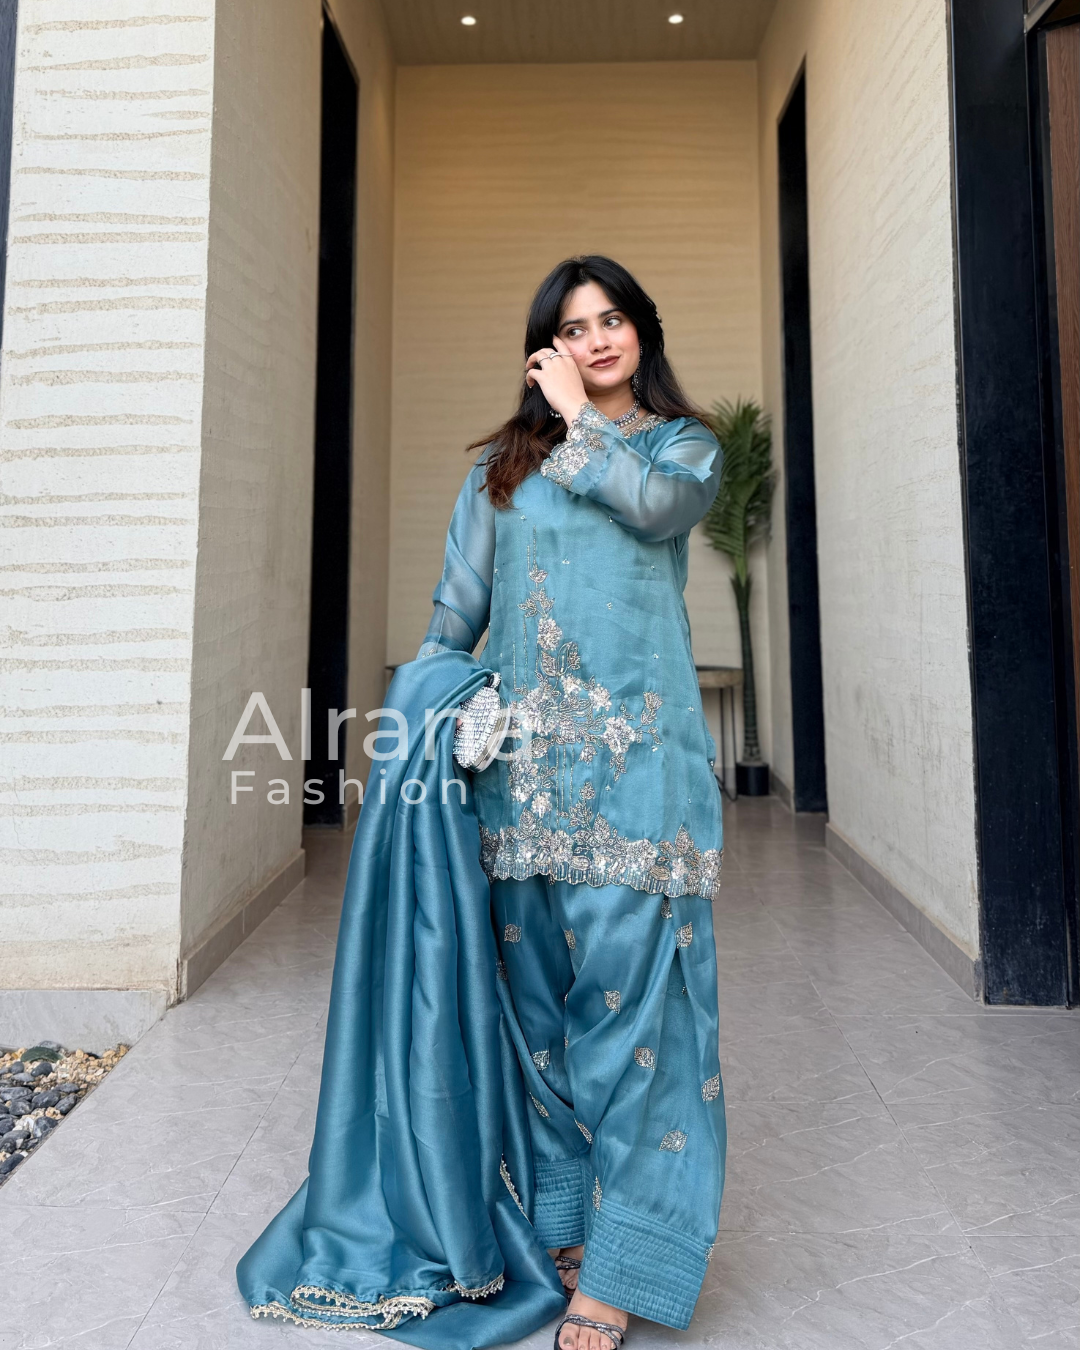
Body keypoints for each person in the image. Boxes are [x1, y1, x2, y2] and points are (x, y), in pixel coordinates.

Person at [419, 256, 727, 1350]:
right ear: (545, 345)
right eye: (574, 326)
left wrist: (577, 420)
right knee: (538, 1014)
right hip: (519, 774)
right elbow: (458, 607)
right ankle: (567, 1222)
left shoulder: (681, 449)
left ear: (643, 330)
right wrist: (423, 714)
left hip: (639, 776)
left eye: (614, 320)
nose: (597, 340)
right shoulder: (502, 469)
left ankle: (626, 1263)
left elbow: (652, 511)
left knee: (635, 1014)